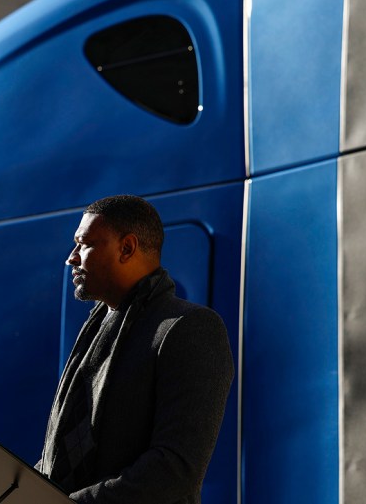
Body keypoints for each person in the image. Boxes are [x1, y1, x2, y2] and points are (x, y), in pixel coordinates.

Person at [37, 195, 234, 504]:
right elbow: (56, 458)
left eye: (84, 244)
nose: (71, 258)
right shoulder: (94, 333)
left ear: (126, 248)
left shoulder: (189, 327)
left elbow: (175, 469)